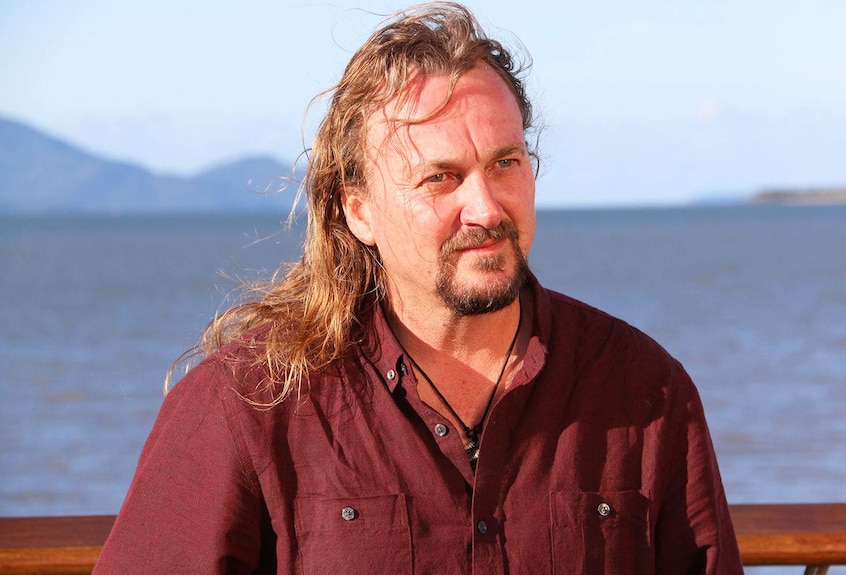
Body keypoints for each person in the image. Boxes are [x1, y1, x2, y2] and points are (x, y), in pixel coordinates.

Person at [94, 3, 743, 573]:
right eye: (441, 177)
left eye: (505, 163)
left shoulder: (644, 391)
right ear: (359, 208)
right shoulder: (250, 405)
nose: (487, 206)